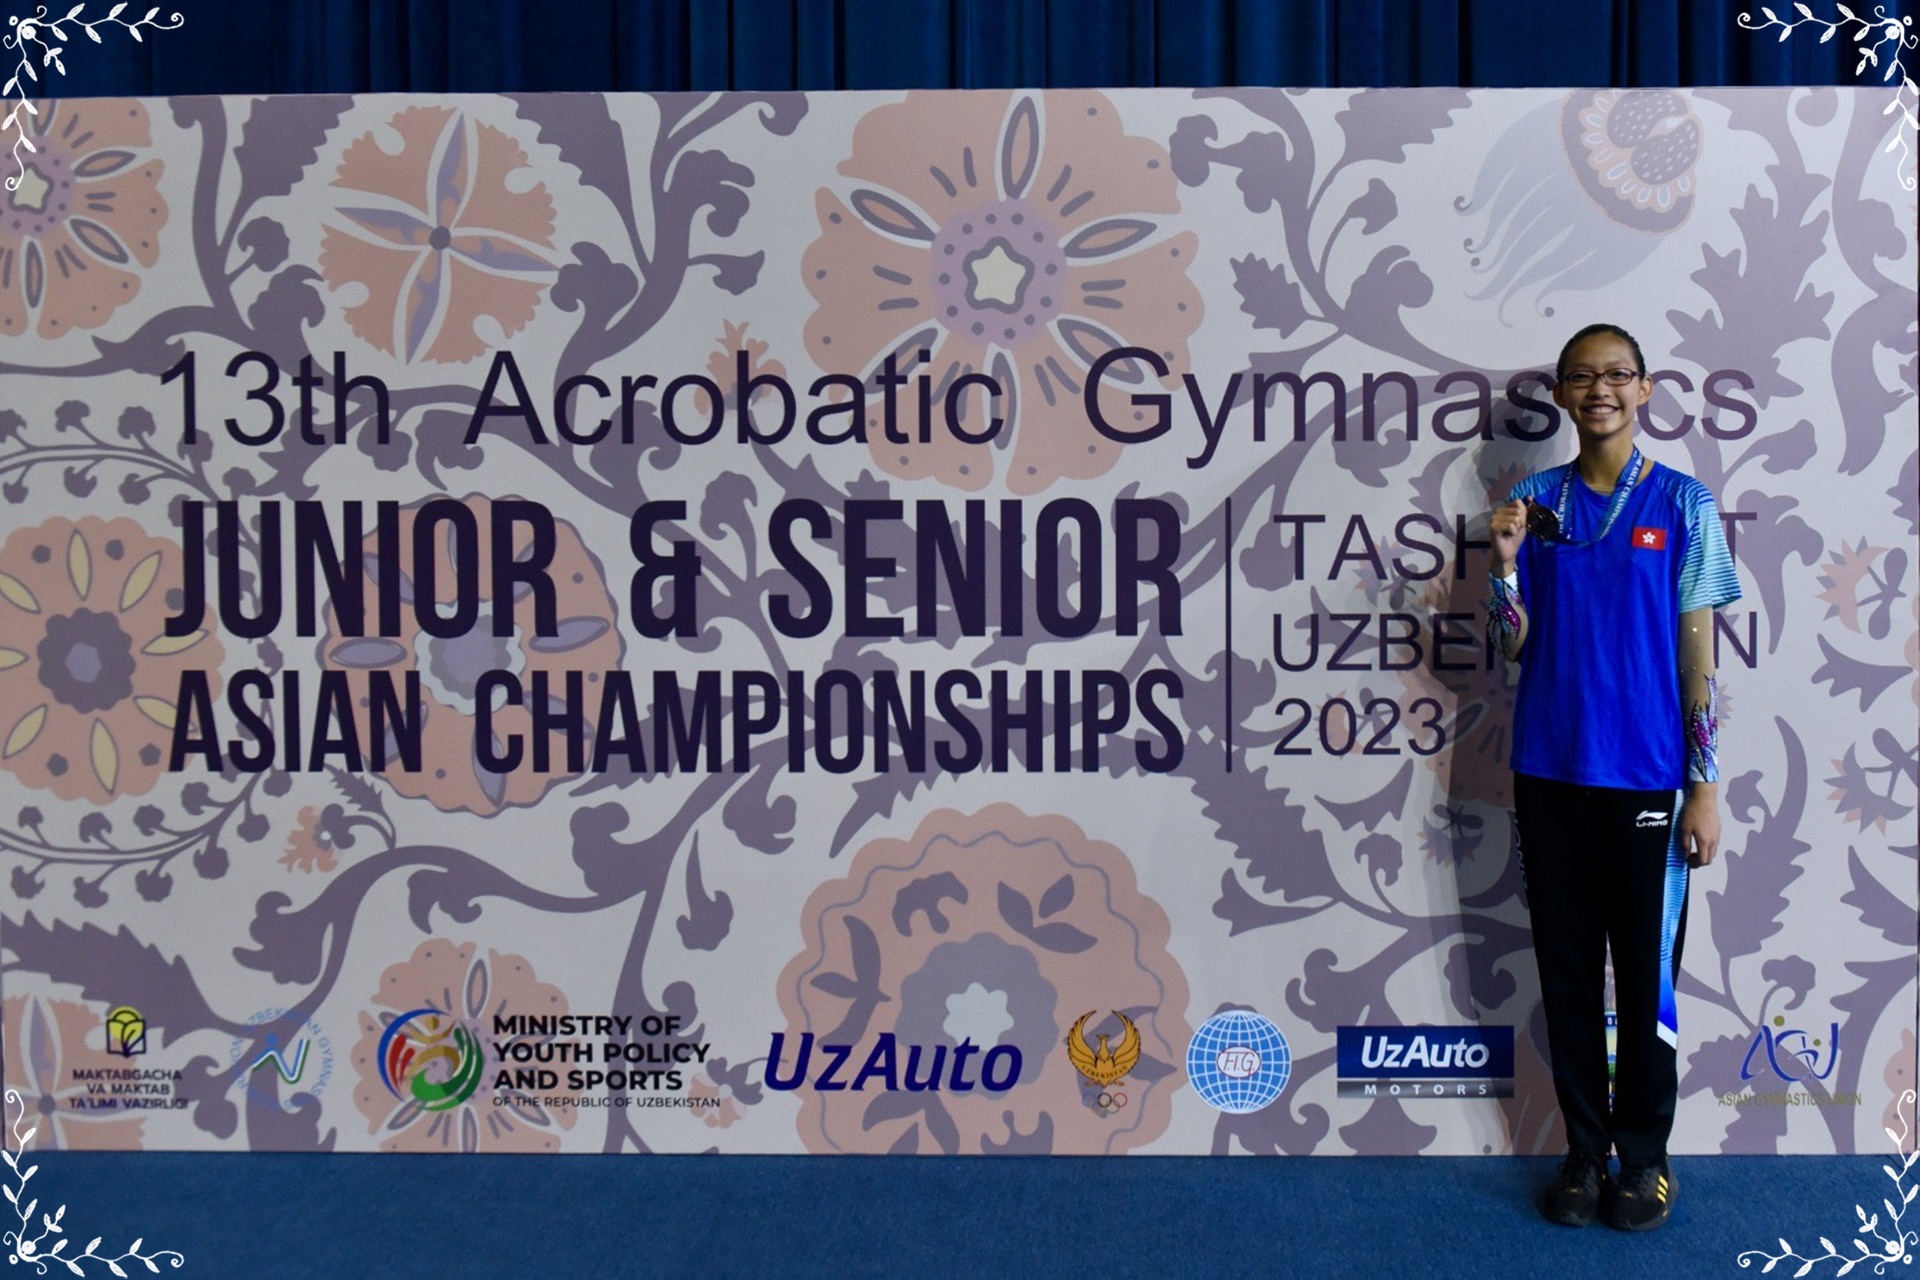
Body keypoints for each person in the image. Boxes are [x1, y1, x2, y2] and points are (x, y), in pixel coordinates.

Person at [1486, 323, 1741, 1232]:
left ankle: (1645, 1159)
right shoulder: (1535, 503)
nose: (1600, 389)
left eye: (1617, 374)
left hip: (1648, 780)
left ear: (1644, 388)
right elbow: (1512, 646)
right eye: (1582, 377)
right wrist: (1505, 568)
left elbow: (1699, 658)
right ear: (1560, 393)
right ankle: (1584, 1155)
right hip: (1548, 773)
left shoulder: (1683, 503)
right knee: (1564, 974)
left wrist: (1704, 786)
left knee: (1643, 979)